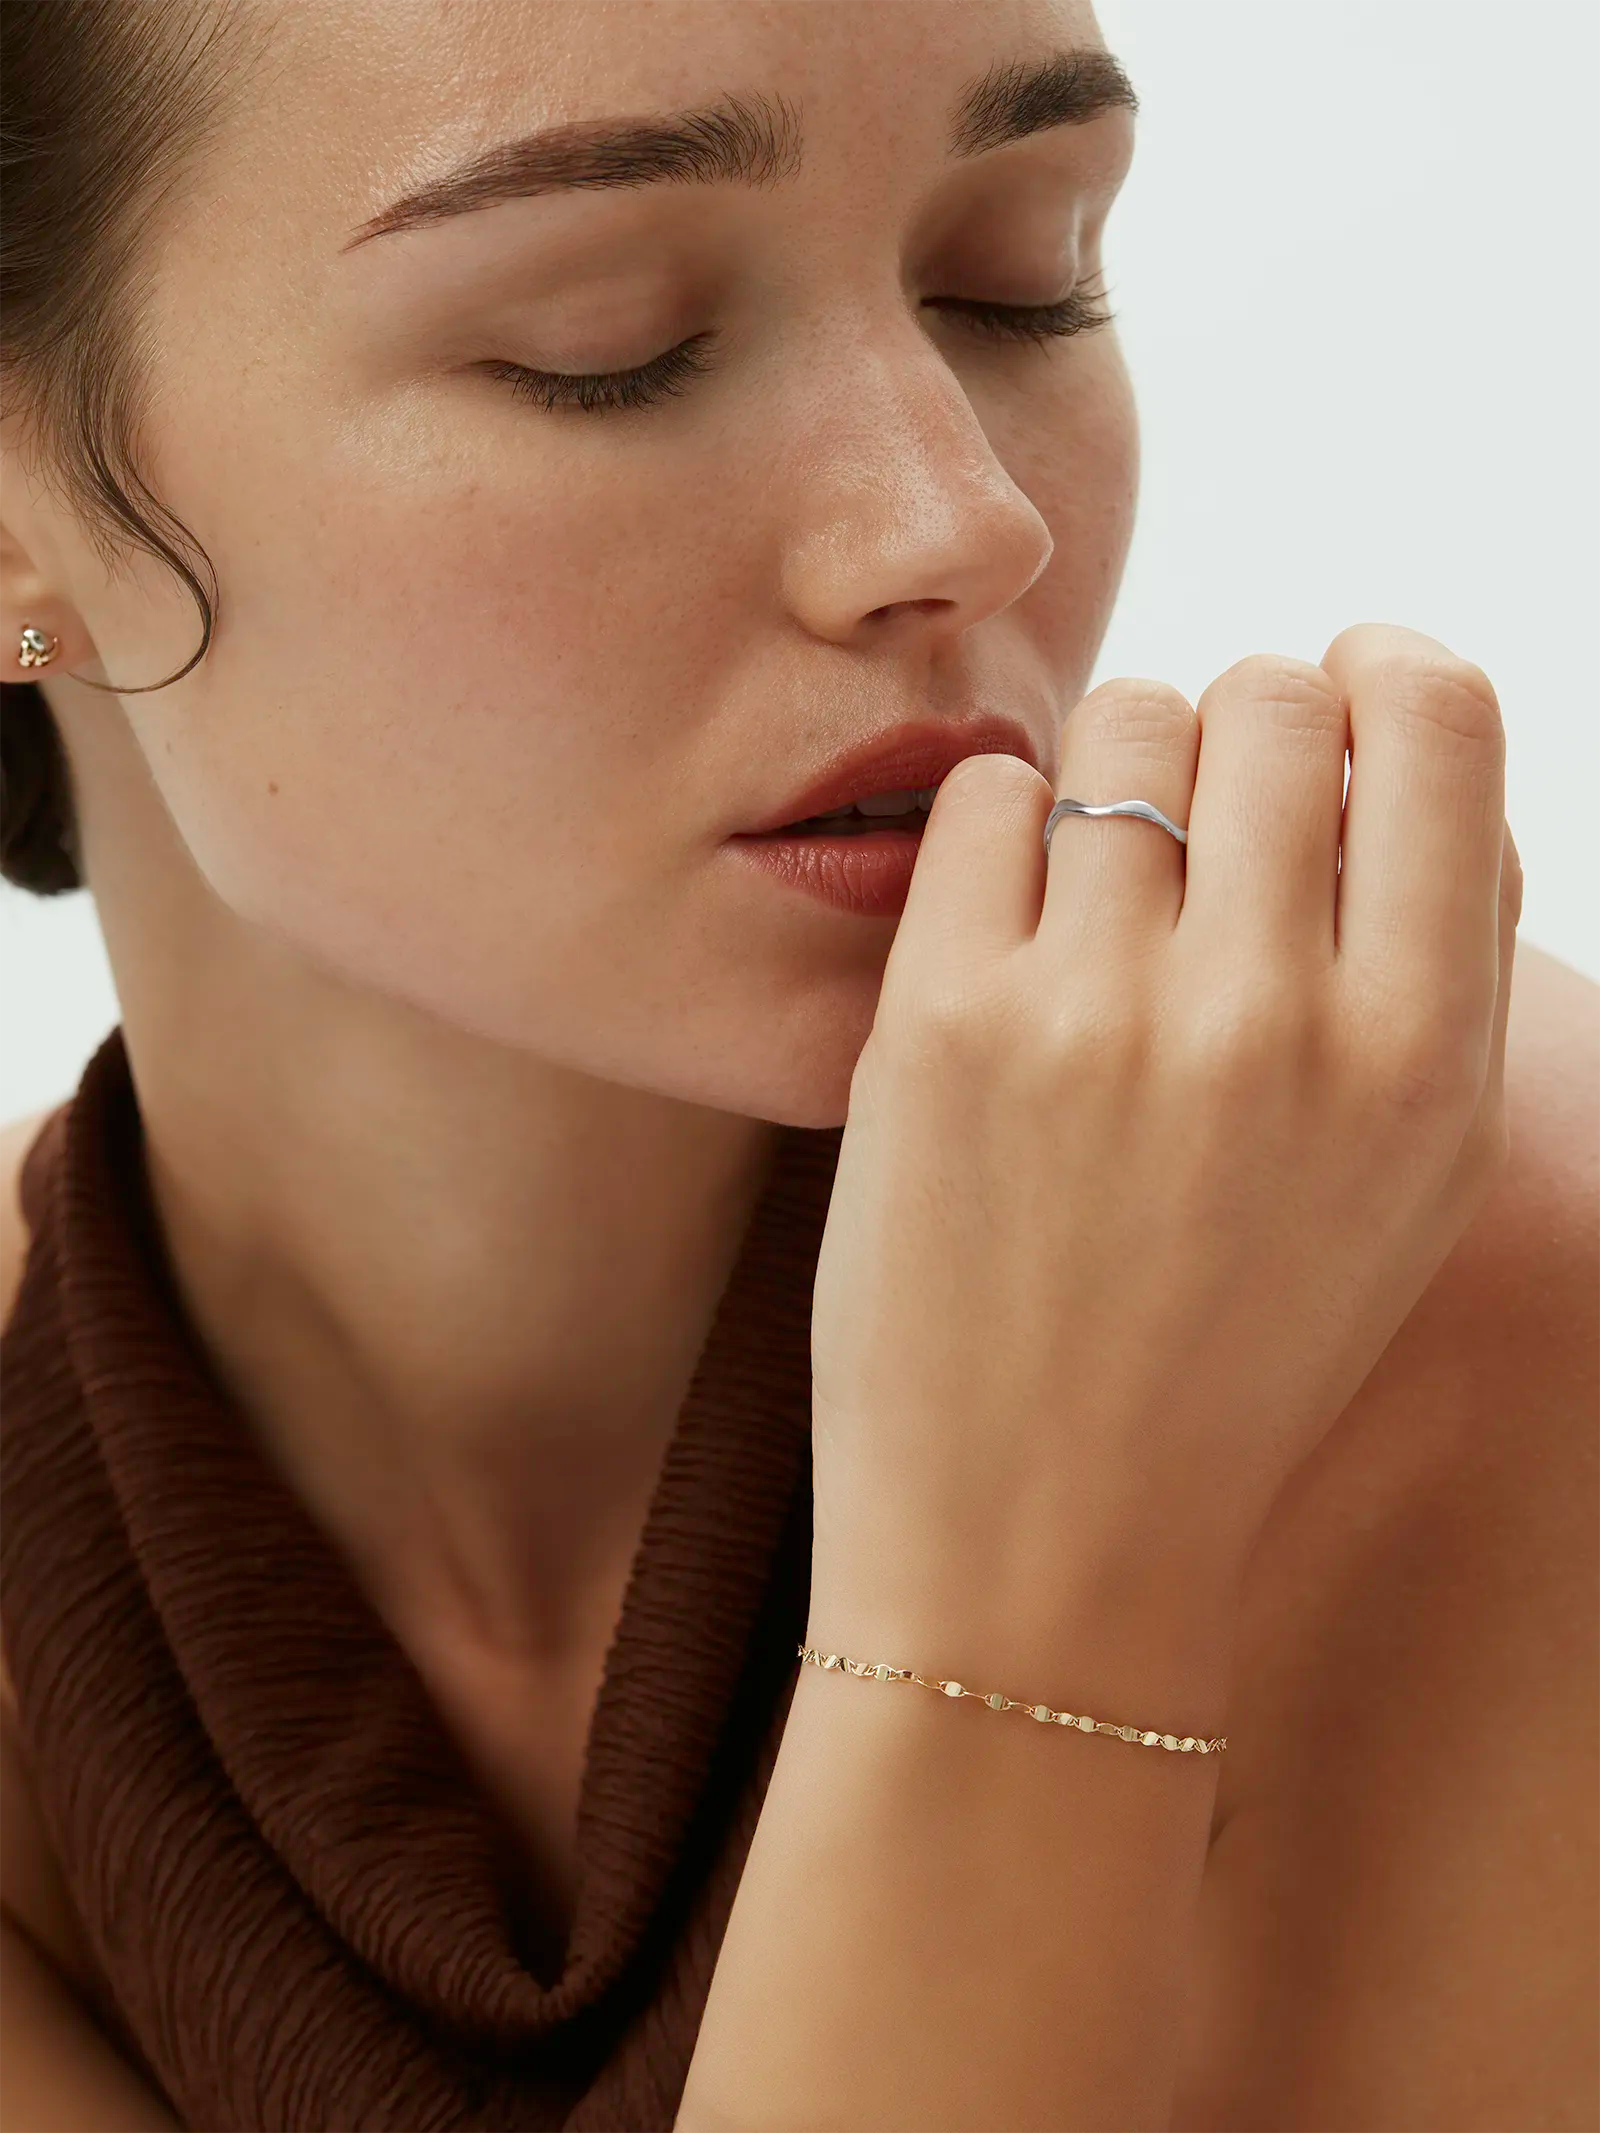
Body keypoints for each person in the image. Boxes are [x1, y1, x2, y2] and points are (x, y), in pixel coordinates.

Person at [0, 1, 1595, 2127]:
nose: (953, 521)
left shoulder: (1490, 1287)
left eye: (1016, 276)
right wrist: (1040, 1585)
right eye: (602, 342)